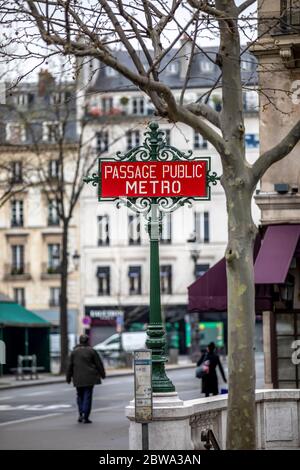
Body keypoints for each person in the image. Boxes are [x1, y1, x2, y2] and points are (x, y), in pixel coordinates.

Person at [66, 334, 106, 424]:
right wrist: (102, 374)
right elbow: (98, 364)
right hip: (90, 378)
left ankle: (81, 414)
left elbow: (70, 366)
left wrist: (68, 378)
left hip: (77, 378)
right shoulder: (92, 351)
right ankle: (86, 416)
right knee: (87, 396)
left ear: (79, 341)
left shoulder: (74, 352)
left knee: (79, 395)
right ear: (87, 341)